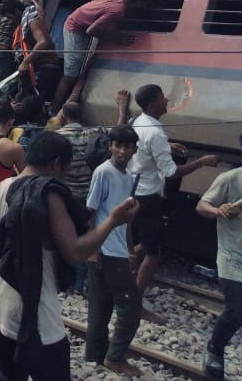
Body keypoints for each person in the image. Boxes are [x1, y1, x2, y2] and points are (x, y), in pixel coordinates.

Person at [0, 131, 139, 381]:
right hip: (32, 314)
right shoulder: (49, 193)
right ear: (56, 163)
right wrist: (113, 219)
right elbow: (76, 251)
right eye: (64, 169)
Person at [129, 82, 217, 320]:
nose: (167, 100)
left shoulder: (139, 121)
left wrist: (166, 147)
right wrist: (202, 162)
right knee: (153, 253)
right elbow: (170, 173)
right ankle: (134, 305)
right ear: (153, 102)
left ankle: (124, 272)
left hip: (135, 191)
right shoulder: (155, 131)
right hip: (148, 196)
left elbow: (140, 143)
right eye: (162, 98)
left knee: (145, 242)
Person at [84, 124, 143, 375]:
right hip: (105, 250)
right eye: (117, 145)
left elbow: (125, 218)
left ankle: (96, 354)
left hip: (117, 250)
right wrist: (92, 248)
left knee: (102, 304)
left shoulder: (129, 178)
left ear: (134, 150)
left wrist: (130, 249)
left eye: (127, 147)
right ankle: (115, 357)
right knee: (130, 307)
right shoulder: (103, 172)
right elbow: (90, 210)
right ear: (110, 146)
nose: (121, 151)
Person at [196, 129, 242, 380]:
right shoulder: (230, 179)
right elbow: (201, 205)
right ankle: (215, 348)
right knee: (238, 309)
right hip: (233, 257)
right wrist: (219, 210)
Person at [57, 0, 152, 111]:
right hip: (75, 28)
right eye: (145, 3)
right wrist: (117, 38)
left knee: (78, 69)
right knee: (71, 75)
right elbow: (91, 31)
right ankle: (53, 107)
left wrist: (98, 6)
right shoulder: (117, 11)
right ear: (139, 2)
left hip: (81, 21)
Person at [0, 0, 26, 91]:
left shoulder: (6, 7)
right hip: (4, 48)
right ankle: (7, 101)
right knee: (9, 81)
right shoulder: (24, 6)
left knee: (5, 77)